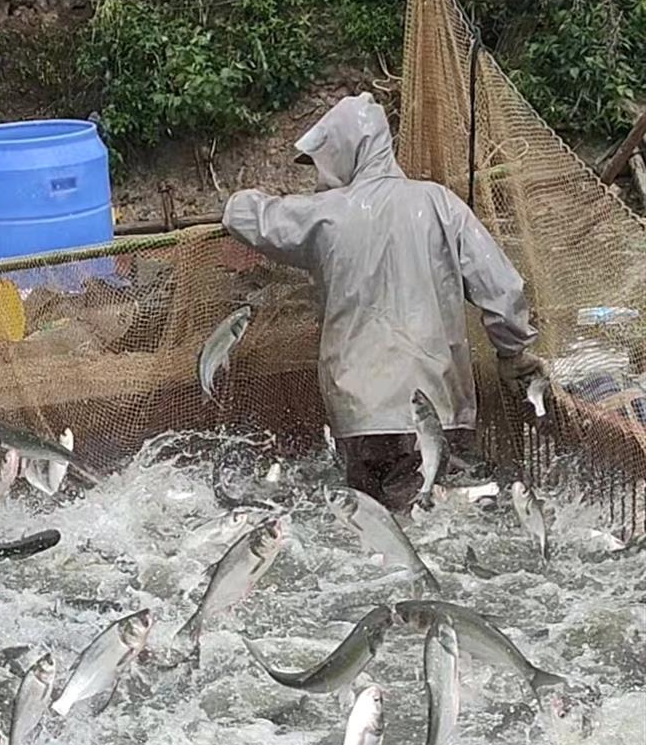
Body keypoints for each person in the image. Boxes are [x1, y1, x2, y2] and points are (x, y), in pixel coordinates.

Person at [222, 93, 541, 509]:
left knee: (378, 535)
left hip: (360, 418)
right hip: (439, 405)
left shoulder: (325, 215)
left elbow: (240, 215)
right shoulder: (440, 204)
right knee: (446, 524)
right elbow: (502, 288)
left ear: (343, 152)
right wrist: (512, 352)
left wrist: (241, 196)